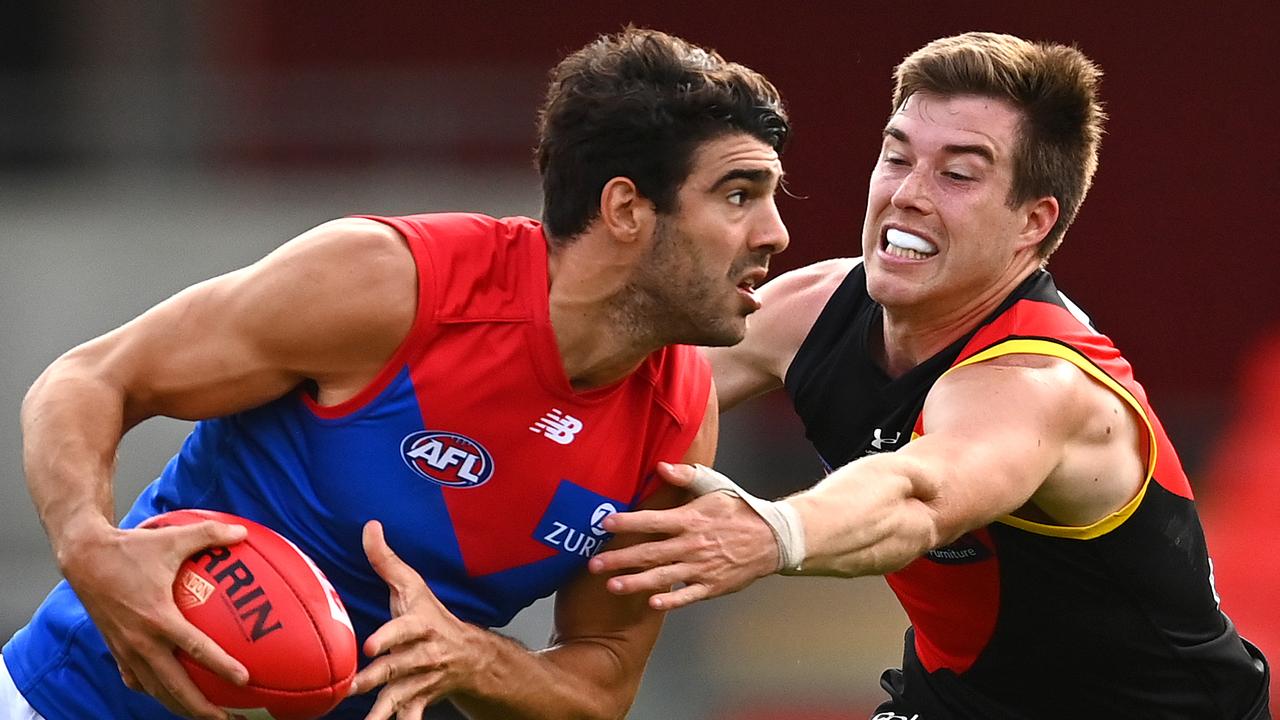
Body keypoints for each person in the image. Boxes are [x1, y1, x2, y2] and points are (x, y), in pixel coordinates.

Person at [3, 27, 790, 720]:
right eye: (737, 195)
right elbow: (85, 379)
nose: (775, 233)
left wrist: (472, 659)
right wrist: (86, 542)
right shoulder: (392, 284)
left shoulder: (679, 413)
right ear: (625, 210)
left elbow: (602, 683)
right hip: (77, 700)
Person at [590, 31, 1271, 719]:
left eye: (958, 174)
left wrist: (773, 530)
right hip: (956, 701)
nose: (908, 193)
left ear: (1033, 222)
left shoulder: (1041, 382)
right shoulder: (813, 311)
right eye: (896, 157)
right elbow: (624, 378)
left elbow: (918, 494)